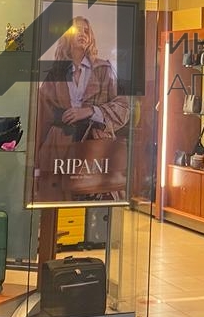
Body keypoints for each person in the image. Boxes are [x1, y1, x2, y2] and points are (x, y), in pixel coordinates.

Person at [34, 16, 131, 201]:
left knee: (94, 200)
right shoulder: (56, 72)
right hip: (59, 147)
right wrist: (36, 165)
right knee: (58, 202)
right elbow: (41, 119)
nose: (83, 34)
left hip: (95, 146)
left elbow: (123, 107)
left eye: (86, 31)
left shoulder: (103, 69)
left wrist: (90, 111)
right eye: (77, 30)